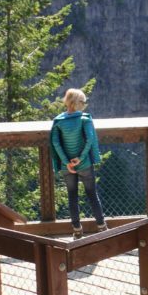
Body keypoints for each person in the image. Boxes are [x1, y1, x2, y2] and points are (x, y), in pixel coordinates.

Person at [50, 88, 107, 239]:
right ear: (77, 103)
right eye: (83, 101)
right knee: (92, 194)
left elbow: (56, 143)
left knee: (72, 196)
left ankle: (76, 229)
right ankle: (101, 226)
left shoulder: (58, 121)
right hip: (84, 164)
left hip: (66, 166)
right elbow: (89, 139)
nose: (84, 104)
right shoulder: (84, 119)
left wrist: (66, 162)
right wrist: (81, 158)